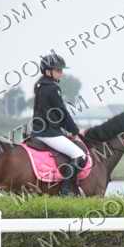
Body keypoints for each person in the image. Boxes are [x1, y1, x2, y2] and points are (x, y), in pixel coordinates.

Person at [31, 53, 86, 196]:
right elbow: (62, 112)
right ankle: (65, 189)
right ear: (48, 71)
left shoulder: (39, 85)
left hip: (38, 130)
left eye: (61, 70)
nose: (61, 73)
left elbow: (51, 114)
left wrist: (64, 129)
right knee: (80, 156)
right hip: (49, 134)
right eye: (58, 70)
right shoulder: (52, 88)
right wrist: (75, 130)